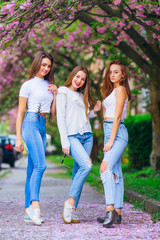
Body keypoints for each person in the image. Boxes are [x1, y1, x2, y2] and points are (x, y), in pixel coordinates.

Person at [15, 51, 57, 226]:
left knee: (32, 171)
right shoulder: (28, 85)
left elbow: (53, 113)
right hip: (31, 122)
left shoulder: (50, 85)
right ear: (37, 63)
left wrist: (56, 94)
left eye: (48, 66)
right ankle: (35, 205)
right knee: (41, 165)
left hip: (42, 124)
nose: (46, 68)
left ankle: (27, 210)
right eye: (43, 64)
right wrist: (18, 138)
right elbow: (20, 114)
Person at [56, 65, 101, 224]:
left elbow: (83, 118)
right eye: (77, 77)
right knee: (87, 166)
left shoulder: (82, 95)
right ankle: (69, 203)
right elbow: (61, 118)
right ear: (72, 75)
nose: (79, 81)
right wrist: (64, 142)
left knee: (78, 173)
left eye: (83, 79)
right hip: (72, 136)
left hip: (87, 136)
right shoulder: (63, 91)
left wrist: (94, 111)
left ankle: (73, 210)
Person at [97, 59, 131, 228]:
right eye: (110, 72)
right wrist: (100, 106)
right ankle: (117, 213)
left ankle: (109, 209)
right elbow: (108, 115)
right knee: (116, 172)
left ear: (123, 74)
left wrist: (111, 140)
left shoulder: (121, 89)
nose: (112, 75)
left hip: (117, 134)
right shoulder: (113, 91)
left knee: (105, 167)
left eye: (116, 72)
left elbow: (117, 117)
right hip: (109, 130)